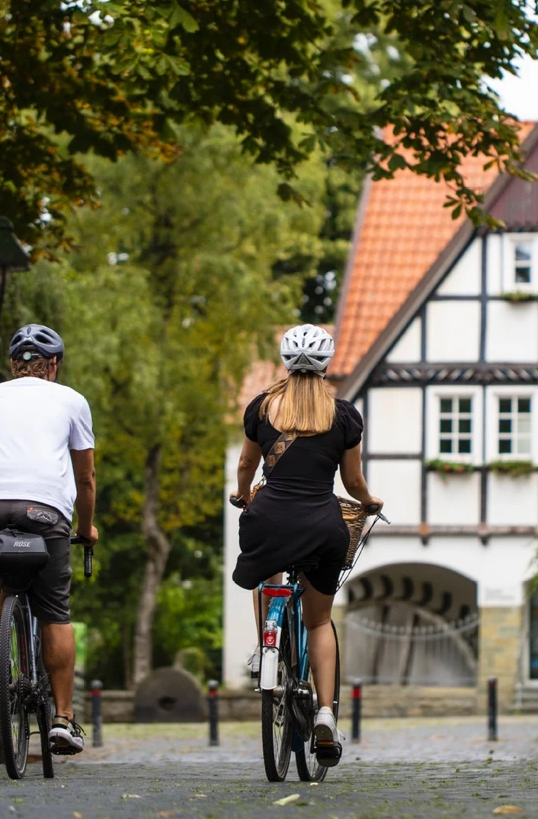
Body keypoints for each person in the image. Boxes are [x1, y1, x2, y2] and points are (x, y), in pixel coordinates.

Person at [230, 324, 381, 757]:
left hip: (269, 519)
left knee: (266, 574)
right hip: (322, 525)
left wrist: (244, 496)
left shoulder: (261, 409)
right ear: (326, 364)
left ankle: (266, 649)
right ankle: (326, 715)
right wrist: (370, 501)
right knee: (318, 621)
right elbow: (352, 482)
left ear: (284, 361)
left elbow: (245, 464)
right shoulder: (345, 415)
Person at [0, 322, 98, 755]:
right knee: (55, 610)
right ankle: (63, 719)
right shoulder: (72, 401)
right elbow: (86, 477)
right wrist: (84, 529)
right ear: (53, 365)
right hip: (44, 505)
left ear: (12, 366)